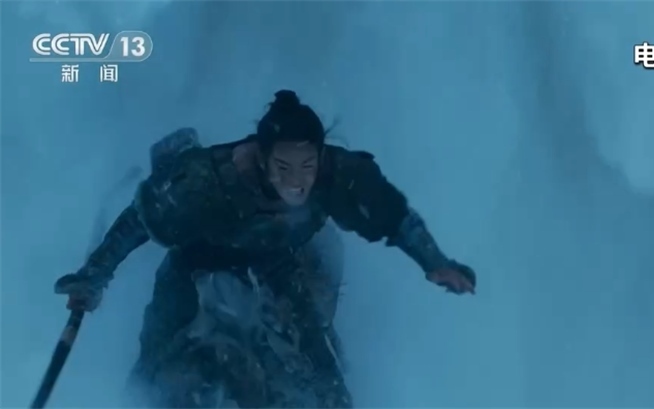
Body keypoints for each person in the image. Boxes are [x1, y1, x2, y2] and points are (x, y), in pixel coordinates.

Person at [53, 90, 477, 408]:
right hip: (193, 263)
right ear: (262, 158)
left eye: (307, 166)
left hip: (276, 265)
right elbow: (140, 220)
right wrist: (94, 277)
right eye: (284, 167)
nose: (297, 181)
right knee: (152, 366)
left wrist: (435, 261)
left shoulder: (335, 176)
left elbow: (392, 215)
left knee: (324, 375)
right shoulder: (205, 182)